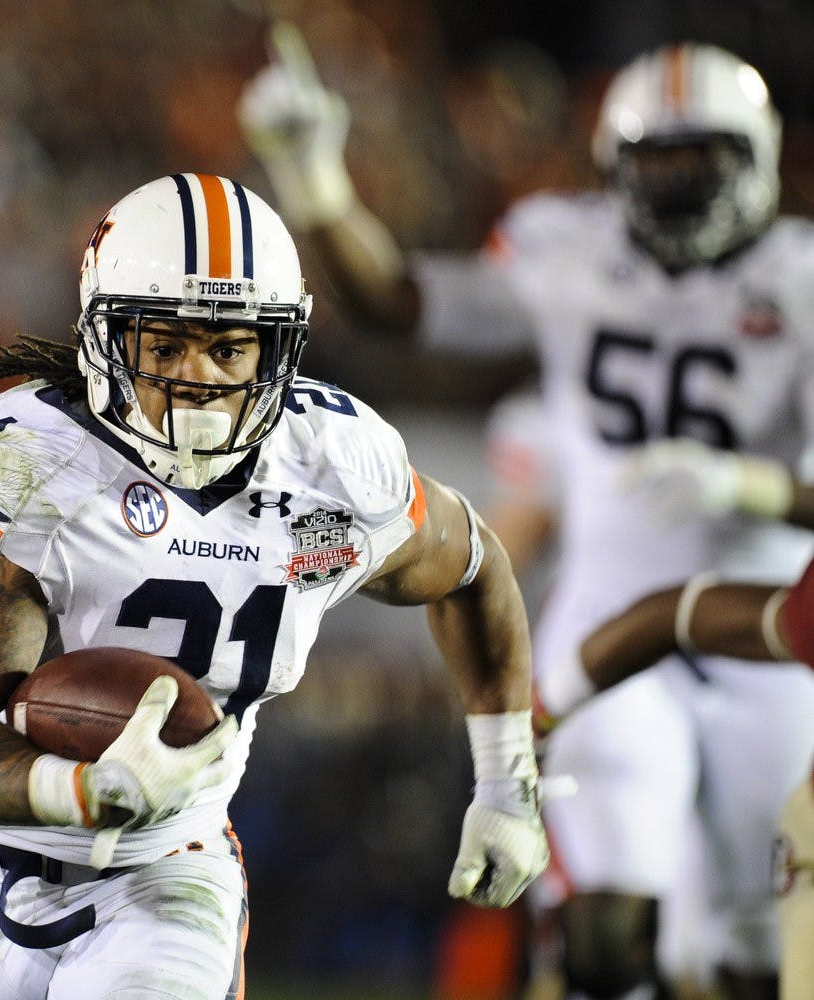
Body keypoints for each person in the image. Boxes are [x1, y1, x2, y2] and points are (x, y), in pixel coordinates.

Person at [0, 173, 549, 999]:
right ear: (105, 341)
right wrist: (77, 787)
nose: (197, 379)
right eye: (165, 346)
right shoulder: (33, 457)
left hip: (168, 862)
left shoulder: (335, 464)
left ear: (278, 349)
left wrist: (506, 782)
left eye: (229, 348)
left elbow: (475, 570)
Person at [239, 33, 814, 998]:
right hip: (610, 606)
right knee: (601, 936)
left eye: (699, 160)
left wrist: (749, 489)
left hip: (773, 633)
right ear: (611, 167)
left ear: (756, 158)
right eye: (655, 159)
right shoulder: (566, 246)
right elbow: (398, 301)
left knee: (746, 949)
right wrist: (314, 181)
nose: (674, 185)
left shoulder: (801, 277)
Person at [533, 551, 814, 1000]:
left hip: (767, 654)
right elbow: (679, 617)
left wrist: (759, 492)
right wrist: (537, 710)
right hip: (612, 612)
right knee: (604, 936)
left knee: (760, 950)